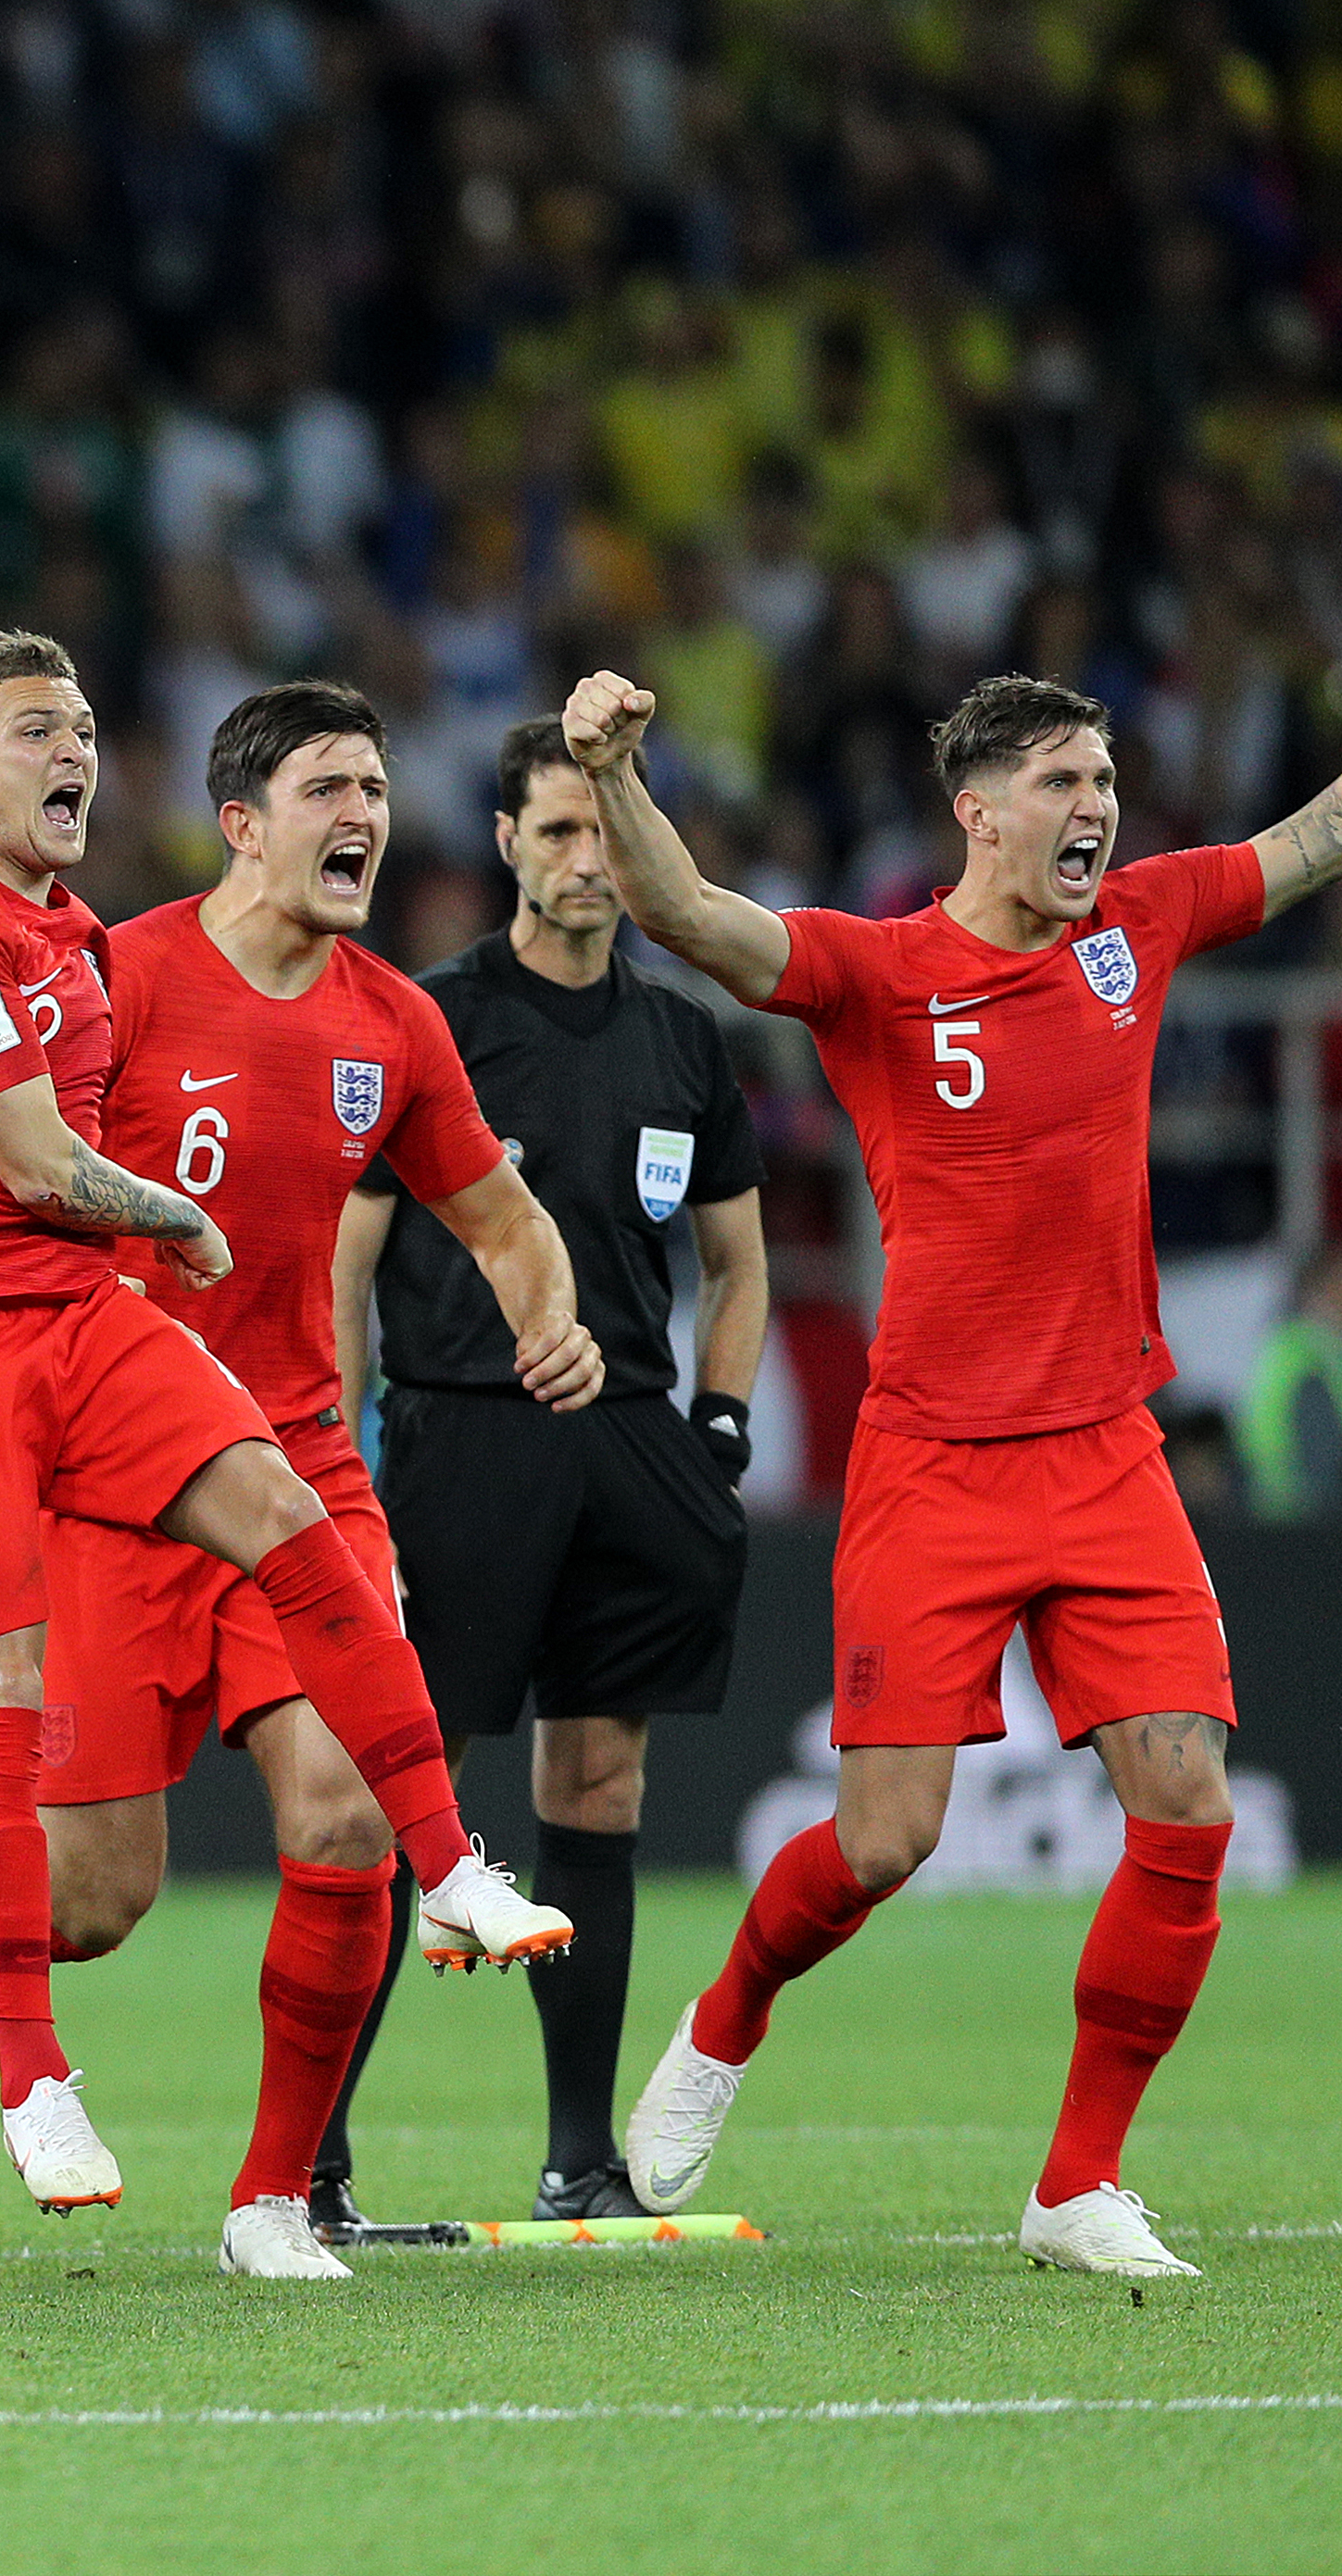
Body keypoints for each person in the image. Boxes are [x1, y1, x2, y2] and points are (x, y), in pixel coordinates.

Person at [0, 631, 571, 2219]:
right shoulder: (89, 960)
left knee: (337, 1762)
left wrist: (549, 1311)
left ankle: (308, 2136)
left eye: (375, 784)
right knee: (89, 1891)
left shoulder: (323, 1006)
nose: (363, 811)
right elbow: (27, 1159)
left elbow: (495, 1209)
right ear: (243, 818)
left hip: (194, 1392)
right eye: (327, 785)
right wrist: (171, 1217)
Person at [589, 666, 1342, 2276]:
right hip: (930, 1461)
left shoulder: (1136, 927)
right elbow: (690, 917)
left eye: (1104, 779)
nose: (1095, 808)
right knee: (880, 1841)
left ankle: (1075, 2178)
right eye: (1062, 782)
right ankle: (724, 2019)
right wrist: (614, 769)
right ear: (977, 811)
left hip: (1105, 1450)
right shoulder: (880, 974)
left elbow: (1303, 842)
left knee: (1188, 1803)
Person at [312, 711, 769, 2233]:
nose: (584, 859)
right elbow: (347, 1255)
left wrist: (714, 1426)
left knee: (596, 1775)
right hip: (456, 1433)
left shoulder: (679, 1035)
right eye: (556, 830)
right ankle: (307, 2161)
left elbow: (736, 1259)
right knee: (389, 1798)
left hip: (631, 1436)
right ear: (502, 840)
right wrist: (335, 1450)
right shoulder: (426, 1019)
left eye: (604, 830)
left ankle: (581, 2158)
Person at [1233, 1242, 1342, 1519]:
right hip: (1303, 1516)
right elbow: (1320, 1457)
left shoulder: (1288, 1346)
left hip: (1275, 1507)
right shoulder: (1309, 1357)